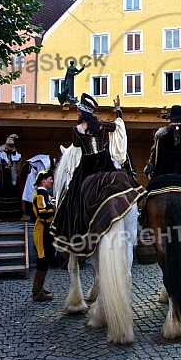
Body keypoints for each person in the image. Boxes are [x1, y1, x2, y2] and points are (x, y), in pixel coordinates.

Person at [50, 93, 145, 256]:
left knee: (73, 197)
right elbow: (117, 127)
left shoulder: (77, 129)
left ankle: (75, 236)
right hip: (104, 163)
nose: (77, 112)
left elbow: (76, 145)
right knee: (123, 179)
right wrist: (118, 110)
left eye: (78, 109)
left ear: (81, 112)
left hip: (87, 166)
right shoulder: (102, 124)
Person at [145, 105, 181, 184]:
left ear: (170, 119)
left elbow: (155, 158)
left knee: (149, 193)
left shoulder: (161, 136)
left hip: (163, 177)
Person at [32, 170, 56, 301]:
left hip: (47, 230)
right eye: (49, 178)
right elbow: (42, 215)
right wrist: (53, 208)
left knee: (46, 258)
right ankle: (37, 291)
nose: (51, 181)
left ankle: (40, 287)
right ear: (43, 180)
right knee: (43, 258)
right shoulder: (40, 195)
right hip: (42, 231)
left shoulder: (45, 194)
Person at [0, 133, 22, 220]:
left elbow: (18, 161)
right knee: (3, 193)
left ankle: (14, 216)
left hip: (12, 175)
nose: (11, 147)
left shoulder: (15, 154)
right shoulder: (1, 153)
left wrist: (18, 171)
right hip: (4, 176)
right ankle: (2, 216)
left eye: (12, 145)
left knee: (13, 193)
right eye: (9, 145)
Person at [20, 154, 52, 221]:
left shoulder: (47, 159)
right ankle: (32, 214)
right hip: (30, 173)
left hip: (33, 173)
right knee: (31, 194)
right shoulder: (47, 162)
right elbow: (41, 174)